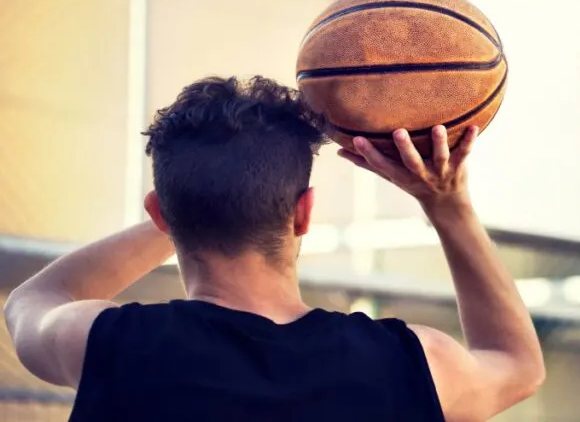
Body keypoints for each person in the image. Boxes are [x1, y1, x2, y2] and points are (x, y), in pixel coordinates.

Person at [3, 76, 545, 421]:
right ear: (304, 212)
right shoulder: (411, 362)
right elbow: (515, 365)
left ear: (161, 213)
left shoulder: (109, 343)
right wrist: (448, 205)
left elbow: (31, 300)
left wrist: (188, 205)